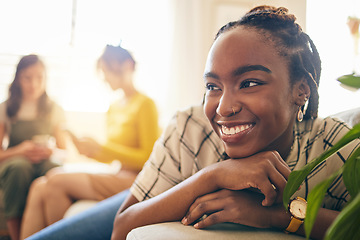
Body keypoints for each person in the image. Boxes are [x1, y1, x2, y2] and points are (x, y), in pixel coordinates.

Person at [26, 5, 358, 240]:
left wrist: (277, 216)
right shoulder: (190, 125)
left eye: (250, 82)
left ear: (301, 91)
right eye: (213, 87)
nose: (223, 107)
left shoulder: (338, 148)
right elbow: (122, 229)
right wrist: (211, 176)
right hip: (153, 184)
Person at [20, 44, 160, 239]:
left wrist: (101, 148)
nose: (104, 78)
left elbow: (148, 158)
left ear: (126, 66)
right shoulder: (113, 107)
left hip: (137, 179)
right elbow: (112, 155)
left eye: (106, 71)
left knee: (55, 179)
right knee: (39, 186)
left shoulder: (145, 104)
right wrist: (90, 151)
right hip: (118, 173)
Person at [0, 54, 67, 240]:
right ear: (18, 79)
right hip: (13, 165)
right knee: (19, 168)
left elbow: (66, 152)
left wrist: (51, 151)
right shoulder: (6, 109)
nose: (34, 84)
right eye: (27, 78)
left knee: (54, 171)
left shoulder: (53, 108)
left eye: (39, 78)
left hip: (43, 164)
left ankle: (52, 233)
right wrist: (19, 151)